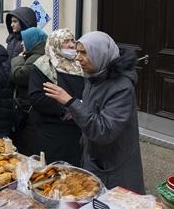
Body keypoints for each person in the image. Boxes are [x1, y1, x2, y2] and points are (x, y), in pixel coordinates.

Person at [43, 31, 145, 193]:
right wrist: (75, 110)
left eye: (84, 52)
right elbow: (93, 109)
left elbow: (104, 131)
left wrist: (71, 102)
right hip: (94, 158)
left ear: (100, 54)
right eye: (78, 52)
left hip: (115, 167)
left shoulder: (122, 87)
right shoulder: (94, 76)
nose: (78, 57)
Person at [27, 29, 85, 166]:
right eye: (66, 41)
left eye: (72, 40)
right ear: (55, 44)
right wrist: (65, 109)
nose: (71, 45)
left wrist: (80, 107)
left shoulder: (81, 64)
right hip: (52, 131)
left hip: (78, 129)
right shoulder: (43, 66)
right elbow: (36, 97)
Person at [9, 27, 48, 155]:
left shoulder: (36, 58)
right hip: (27, 107)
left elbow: (19, 76)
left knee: (26, 145)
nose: (22, 43)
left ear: (33, 41)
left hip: (29, 109)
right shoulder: (33, 55)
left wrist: (17, 59)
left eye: (24, 40)